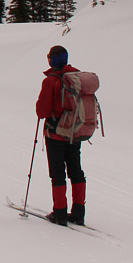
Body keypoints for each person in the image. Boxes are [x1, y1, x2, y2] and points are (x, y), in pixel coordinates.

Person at [35, 45, 86, 226]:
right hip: (75, 132)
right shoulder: (77, 77)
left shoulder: (51, 81)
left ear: (52, 60)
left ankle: (60, 213)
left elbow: (42, 111)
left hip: (56, 133)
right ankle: (79, 212)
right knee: (76, 171)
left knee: (58, 174)